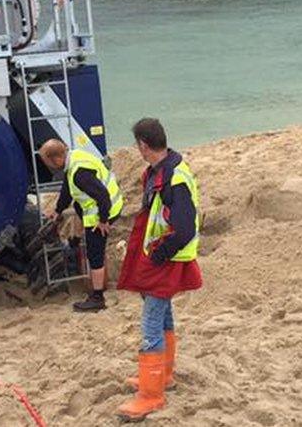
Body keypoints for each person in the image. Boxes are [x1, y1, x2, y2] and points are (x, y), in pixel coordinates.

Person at [115, 118, 202, 422]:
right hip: (162, 256)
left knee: (151, 321)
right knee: (162, 315)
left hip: (167, 258)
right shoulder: (158, 171)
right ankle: (162, 377)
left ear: (143, 145)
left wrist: (159, 255)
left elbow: (185, 228)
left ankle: (151, 395)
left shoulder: (174, 177)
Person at [38, 139, 124, 312]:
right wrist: (58, 210)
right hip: (100, 206)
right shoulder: (74, 158)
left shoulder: (80, 174)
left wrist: (103, 221)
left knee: (95, 254)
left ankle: (97, 297)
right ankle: (75, 239)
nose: (50, 167)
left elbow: (103, 196)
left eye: (48, 163)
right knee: (78, 206)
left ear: (56, 159)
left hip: (105, 211)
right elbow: (67, 189)